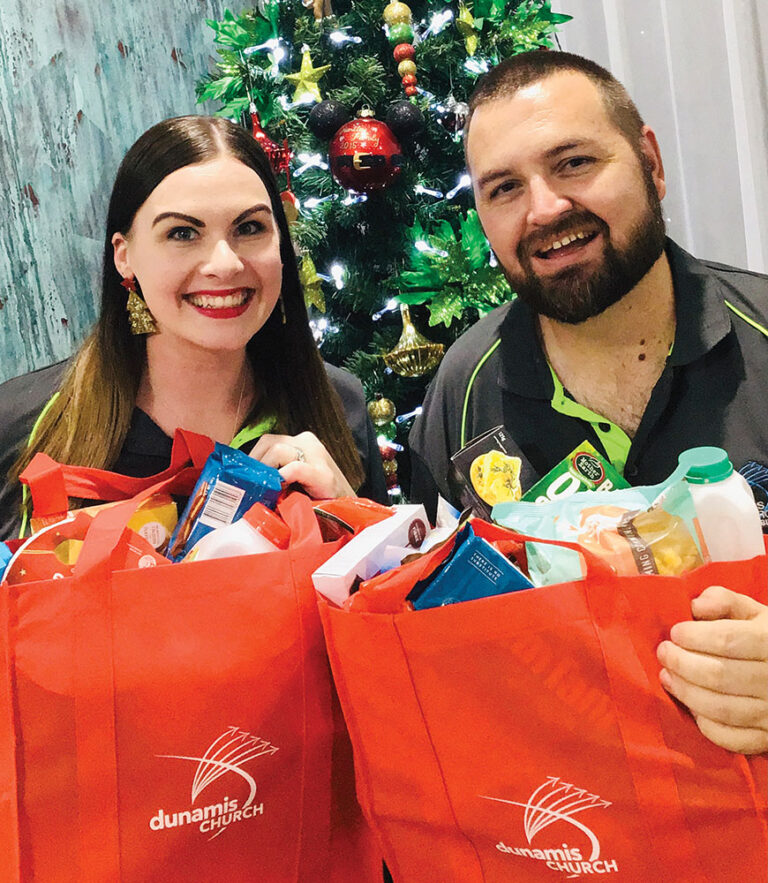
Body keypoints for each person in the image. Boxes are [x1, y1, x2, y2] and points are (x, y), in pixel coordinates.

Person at [409, 51, 768, 754]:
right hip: (580, 833)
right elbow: (443, 650)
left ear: (650, 163)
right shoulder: (460, 394)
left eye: (573, 162)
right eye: (504, 187)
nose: (544, 210)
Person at [0, 115, 386, 540]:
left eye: (250, 227)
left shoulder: (338, 407)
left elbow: (394, 596)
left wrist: (353, 523)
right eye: (182, 233)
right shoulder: (23, 425)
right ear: (124, 256)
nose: (225, 264)